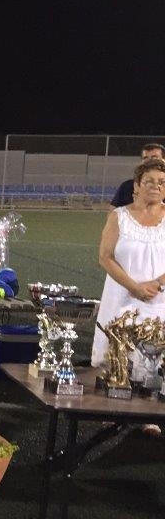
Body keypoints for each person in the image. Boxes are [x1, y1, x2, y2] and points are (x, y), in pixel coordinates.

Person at [93, 158, 165, 435]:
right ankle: (114, 409)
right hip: (122, 296)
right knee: (119, 355)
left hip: (158, 300)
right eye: (150, 182)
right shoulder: (119, 216)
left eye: (161, 183)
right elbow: (105, 256)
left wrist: (156, 284)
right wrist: (134, 286)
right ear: (136, 186)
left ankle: (150, 416)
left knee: (153, 359)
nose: (156, 187)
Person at [111, 143, 165, 208]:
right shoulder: (127, 187)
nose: (149, 161)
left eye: (154, 157)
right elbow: (112, 213)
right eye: (145, 158)